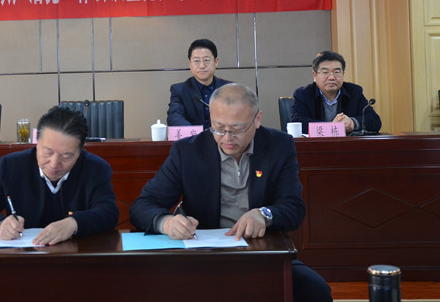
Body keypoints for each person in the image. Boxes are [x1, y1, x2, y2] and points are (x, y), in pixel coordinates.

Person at [131, 83, 332, 302]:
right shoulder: (187, 151)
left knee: (315, 290)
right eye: (218, 127)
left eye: (237, 129)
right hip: (202, 256)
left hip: (261, 253)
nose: (227, 137)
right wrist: (166, 222)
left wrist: (264, 214)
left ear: (257, 119)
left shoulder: (279, 146)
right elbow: (142, 205)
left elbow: (294, 208)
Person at [0, 106, 119, 246]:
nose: (54, 164)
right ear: (36, 142)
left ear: (80, 152)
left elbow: (109, 212)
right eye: (48, 152)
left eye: (66, 156)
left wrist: (74, 223)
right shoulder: (12, 166)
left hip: (76, 258)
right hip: (24, 259)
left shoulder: (95, 168)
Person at [290, 50, 381, 135]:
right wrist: (333, 127)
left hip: (346, 145)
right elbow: (297, 123)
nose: (331, 77)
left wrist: (352, 123)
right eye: (325, 72)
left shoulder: (354, 92)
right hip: (315, 145)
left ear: (343, 73)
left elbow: (375, 121)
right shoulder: (303, 94)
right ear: (314, 75)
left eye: (336, 72)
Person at [167, 38, 232, 128]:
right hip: (193, 136)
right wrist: (194, 132)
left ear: (216, 62)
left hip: (223, 136)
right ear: (190, 64)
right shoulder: (179, 90)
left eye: (206, 60)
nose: (202, 66)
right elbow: (174, 117)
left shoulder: (229, 89)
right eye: (196, 61)